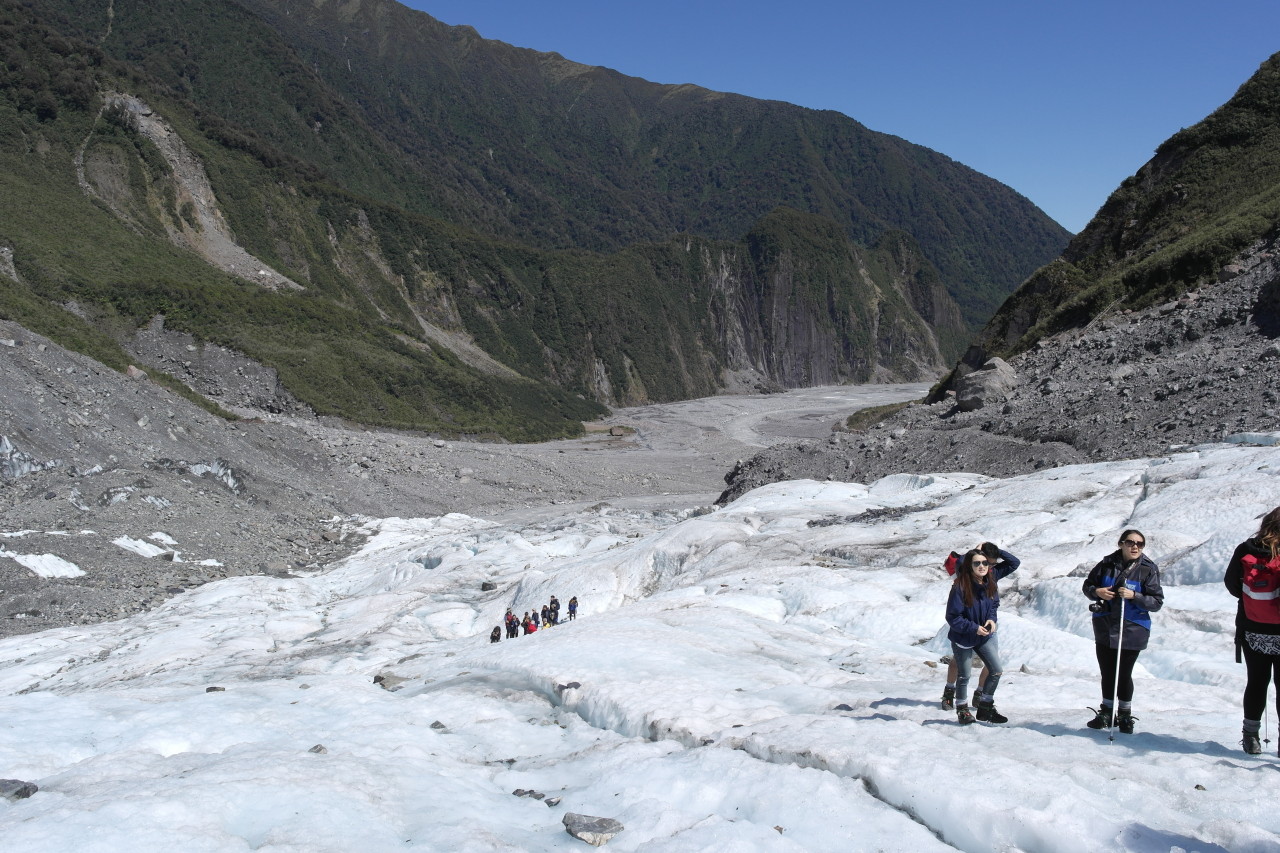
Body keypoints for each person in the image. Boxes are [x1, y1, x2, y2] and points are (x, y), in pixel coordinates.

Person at [1082, 529, 1164, 734]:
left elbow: (1156, 602)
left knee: (1124, 674)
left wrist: (1134, 595)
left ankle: (1125, 714)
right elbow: (1088, 586)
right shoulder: (1106, 564)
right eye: (1130, 542)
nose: (1135, 546)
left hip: (1133, 628)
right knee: (1107, 671)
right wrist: (1097, 592)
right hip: (1105, 625)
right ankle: (1107, 712)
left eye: (1140, 543)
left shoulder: (1148, 569)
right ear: (1121, 544)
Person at [1223, 506, 1280, 755]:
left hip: (1252, 628)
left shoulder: (1247, 548)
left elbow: (1230, 582)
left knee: (1257, 682)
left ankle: (1251, 736)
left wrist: (1248, 601)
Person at [941, 542, 1020, 712]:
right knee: (961, 665)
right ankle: (950, 693)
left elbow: (1014, 563)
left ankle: (980, 695)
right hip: (967, 628)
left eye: (990, 563)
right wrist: (976, 552)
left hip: (985, 629)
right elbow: (963, 563)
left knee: (992, 664)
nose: (986, 567)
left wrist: (998, 552)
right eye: (981, 562)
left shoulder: (993, 574)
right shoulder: (964, 579)